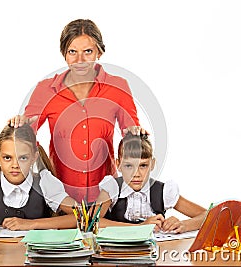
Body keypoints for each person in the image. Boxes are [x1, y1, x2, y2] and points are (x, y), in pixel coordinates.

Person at [9, 19, 147, 203]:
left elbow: (131, 140)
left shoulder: (118, 87)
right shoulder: (45, 90)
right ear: (64, 54)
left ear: (99, 52)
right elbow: (24, 141)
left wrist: (137, 134)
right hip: (60, 197)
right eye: (72, 52)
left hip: (105, 196)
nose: (80, 60)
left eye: (87, 51)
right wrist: (19, 128)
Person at [0, 124, 77, 232]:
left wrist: (32, 224)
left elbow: (80, 217)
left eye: (23, 158)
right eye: (7, 157)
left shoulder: (45, 183)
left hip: (35, 251)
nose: (15, 165)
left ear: (34, 157)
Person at [96, 133, 206, 233]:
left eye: (143, 165)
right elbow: (93, 222)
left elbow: (208, 215)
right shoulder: (112, 188)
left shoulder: (163, 190)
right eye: (128, 166)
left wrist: (184, 225)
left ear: (152, 164)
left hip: (158, 251)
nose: (136, 174)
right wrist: (141, 227)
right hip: (117, 251)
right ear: (118, 164)